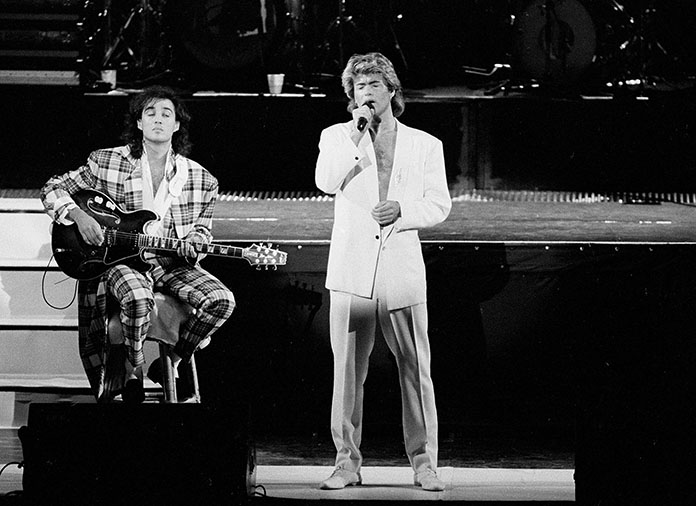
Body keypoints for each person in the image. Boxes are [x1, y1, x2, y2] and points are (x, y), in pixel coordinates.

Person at [40, 85, 235, 403]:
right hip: (123, 260)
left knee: (222, 301)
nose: (158, 119)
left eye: (166, 114)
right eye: (150, 113)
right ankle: (135, 368)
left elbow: (202, 230)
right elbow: (52, 188)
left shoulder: (201, 179)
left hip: (171, 263)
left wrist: (195, 243)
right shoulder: (107, 162)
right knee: (137, 298)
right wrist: (77, 215)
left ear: (177, 125)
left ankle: (173, 360)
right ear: (140, 123)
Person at [315, 53, 452, 491]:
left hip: (401, 267)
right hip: (352, 269)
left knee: (415, 369)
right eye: (358, 87)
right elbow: (325, 180)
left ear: (392, 91)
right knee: (347, 374)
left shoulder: (425, 144)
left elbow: (439, 204)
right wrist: (355, 134)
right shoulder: (337, 136)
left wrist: (403, 211)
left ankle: (424, 463)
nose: (366, 93)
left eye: (374, 85)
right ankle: (345, 463)